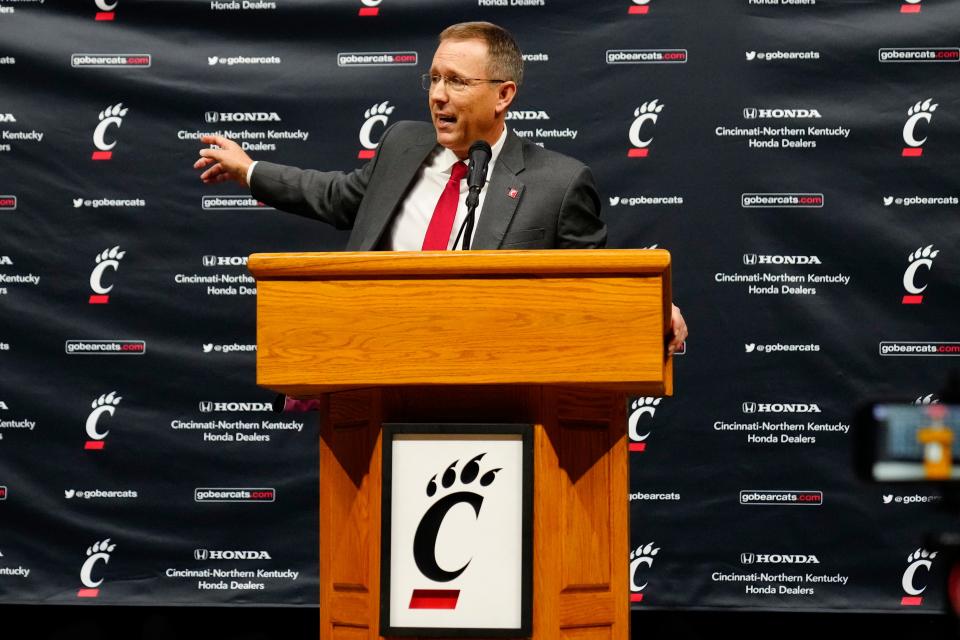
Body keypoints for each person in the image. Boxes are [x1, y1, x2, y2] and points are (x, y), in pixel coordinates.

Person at [193, 21, 687, 355]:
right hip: (375, 365)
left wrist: (649, 309)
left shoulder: (558, 182)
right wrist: (249, 169)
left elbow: (594, 283)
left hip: (493, 382)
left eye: (455, 81)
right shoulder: (403, 143)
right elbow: (338, 196)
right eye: (432, 78)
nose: (437, 95)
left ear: (503, 95)